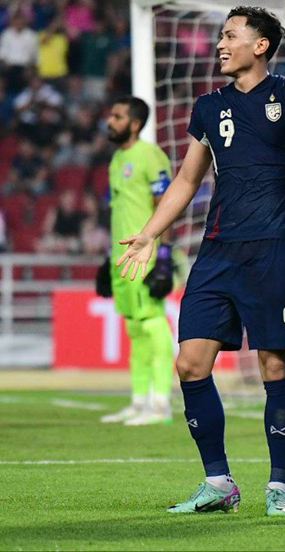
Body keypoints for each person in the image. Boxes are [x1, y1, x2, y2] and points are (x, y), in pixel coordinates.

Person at [117, 6, 285, 517]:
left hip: (277, 249)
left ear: (260, 46)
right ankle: (218, 481)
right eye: (221, 35)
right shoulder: (208, 105)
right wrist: (151, 233)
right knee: (189, 364)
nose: (220, 44)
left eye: (230, 35)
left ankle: (278, 487)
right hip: (218, 249)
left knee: (274, 365)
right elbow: (188, 179)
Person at [99, 97, 176, 426]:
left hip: (145, 256)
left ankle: (161, 403)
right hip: (122, 258)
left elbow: (165, 204)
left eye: (117, 116)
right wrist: (108, 257)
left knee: (152, 323)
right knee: (134, 327)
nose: (110, 120)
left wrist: (164, 254)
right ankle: (140, 400)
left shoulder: (150, 155)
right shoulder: (118, 159)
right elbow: (121, 210)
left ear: (134, 124)